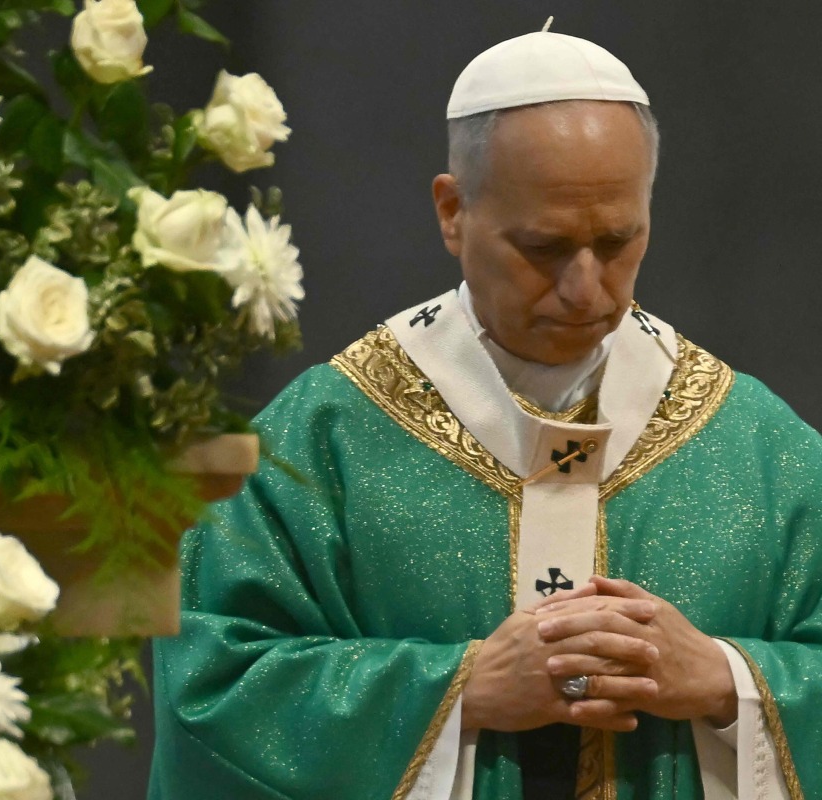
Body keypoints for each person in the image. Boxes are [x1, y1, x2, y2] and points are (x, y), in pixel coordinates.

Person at [149, 22, 822, 800]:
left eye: (617, 241)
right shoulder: (320, 440)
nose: (585, 287)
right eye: (543, 246)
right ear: (452, 210)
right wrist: (455, 690)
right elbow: (211, 685)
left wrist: (728, 682)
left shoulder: (760, 451)